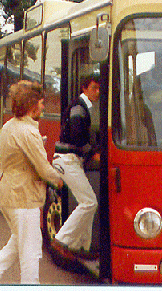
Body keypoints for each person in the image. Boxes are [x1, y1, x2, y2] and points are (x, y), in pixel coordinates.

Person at [0, 80, 63, 284]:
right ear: (33, 106)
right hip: (23, 198)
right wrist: (59, 180)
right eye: (42, 103)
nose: (44, 107)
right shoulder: (28, 132)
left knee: (19, 241)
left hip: (7, 194)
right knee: (31, 250)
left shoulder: (9, 126)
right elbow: (43, 168)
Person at [51, 74, 100, 260]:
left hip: (72, 160)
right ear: (84, 88)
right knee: (89, 202)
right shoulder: (80, 108)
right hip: (67, 160)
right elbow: (77, 135)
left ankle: (82, 247)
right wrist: (93, 153)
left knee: (86, 202)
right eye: (94, 88)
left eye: (99, 88)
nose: (97, 92)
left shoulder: (84, 106)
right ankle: (61, 241)